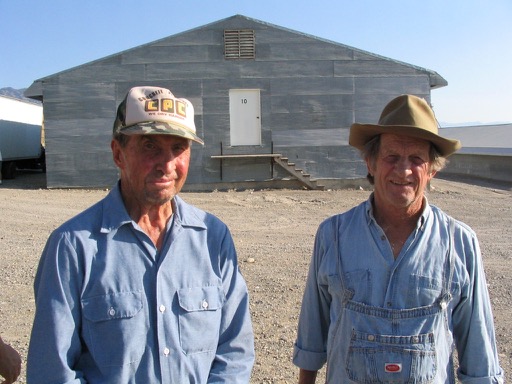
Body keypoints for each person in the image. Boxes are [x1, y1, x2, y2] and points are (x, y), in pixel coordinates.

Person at [27, 86, 255, 383]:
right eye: (150, 147)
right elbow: (53, 372)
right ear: (118, 154)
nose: (168, 164)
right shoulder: (73, 246)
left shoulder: (213, 238)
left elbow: (234, 352)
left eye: (179, 148)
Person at [293, 94, 504, 383]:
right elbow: (312, 337)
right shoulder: (333, 235)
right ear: (371, 163)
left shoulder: (460, 243)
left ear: (432, 169)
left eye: (416, 159)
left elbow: (479, 354)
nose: (403, 170)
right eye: (391, 157)